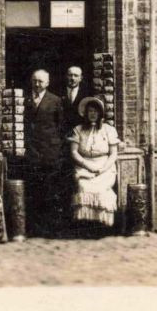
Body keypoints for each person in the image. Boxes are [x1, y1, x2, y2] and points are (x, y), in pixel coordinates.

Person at [23, 69, 67, 237]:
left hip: (50, 152)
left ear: (47, 83)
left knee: (50, 190)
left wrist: (56, 148)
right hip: (32, 151)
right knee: (34, 190)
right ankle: (34, 228)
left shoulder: (55, 101)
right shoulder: (25, 100)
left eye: (40, 81)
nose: (37, 84)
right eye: (34, 80)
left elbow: (61, 127)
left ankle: (51, 229)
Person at [68, 96, 119, 235]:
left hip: (105, 167)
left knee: (102, 191)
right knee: (83, 187)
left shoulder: (109, 130)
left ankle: (103, 227)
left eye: (95, 111)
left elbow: (113, 154)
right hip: (84, 166)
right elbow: (73, 152)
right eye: (90, 111)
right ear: (85, 113)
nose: (93, 114)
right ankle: (86, 226)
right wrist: (87, 166)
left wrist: (102, 168)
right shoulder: (78, 130)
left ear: (100, 113)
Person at [59, 65, 92, 130]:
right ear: (66, 76)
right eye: (70, 75)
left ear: (81, 78)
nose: (72, 78)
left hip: (81, 130)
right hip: (61, 131)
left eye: (76, 75)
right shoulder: (58, 92)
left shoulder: (87, 94)